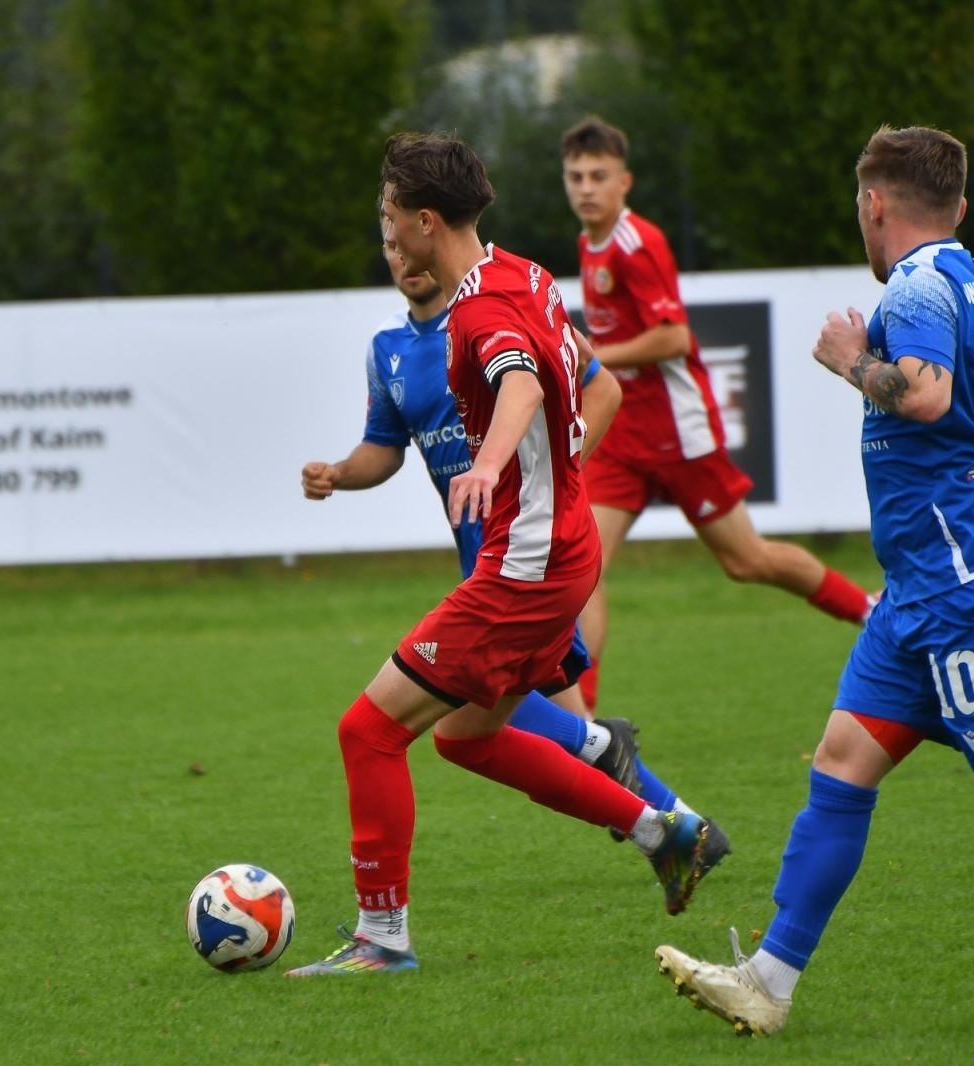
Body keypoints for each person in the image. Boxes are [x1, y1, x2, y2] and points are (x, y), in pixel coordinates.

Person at [654, 125, 974, 1035]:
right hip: (916, 591)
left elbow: (928, 394)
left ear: (873, 204)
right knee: (842, 762)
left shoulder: (918, 285)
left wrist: (849, 363)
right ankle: (768, 985)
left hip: (962, 585)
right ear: (961, 208)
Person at [286, 133, 719, 979]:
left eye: (387, 218)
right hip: (562, 550)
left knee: (367, 732)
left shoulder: (480, 312)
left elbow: (521, 381)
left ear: (421, 221)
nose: (384, 235)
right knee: (466, 736)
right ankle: (662, 829)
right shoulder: (521, 273)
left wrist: (490, 463)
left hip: (520, 567)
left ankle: (382, 941)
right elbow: (561, 378)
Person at [301, 243, 731, 844]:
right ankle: (683, 828)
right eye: (389, 243)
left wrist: (556, 480)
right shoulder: (388, 351)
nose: (404, 255)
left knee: (463, 717)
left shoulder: (496, 312)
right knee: (529, 721)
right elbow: (385, 446)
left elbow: (601, 391)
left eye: (408, 237)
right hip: (488, 563)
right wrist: (341, 474)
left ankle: (627, 776)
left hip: (530, 560)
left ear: (431, 231)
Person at [560, 117, 874, 711]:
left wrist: (594, 356)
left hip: (680, 432)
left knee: (746, 560)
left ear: (624, 182)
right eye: (575, 176)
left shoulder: (637, 243)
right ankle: (586, 726)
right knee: (583, 567)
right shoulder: (589, 243)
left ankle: (870, 610)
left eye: (598, 176)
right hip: (623, 435)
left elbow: (674, 338)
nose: (585, 187)